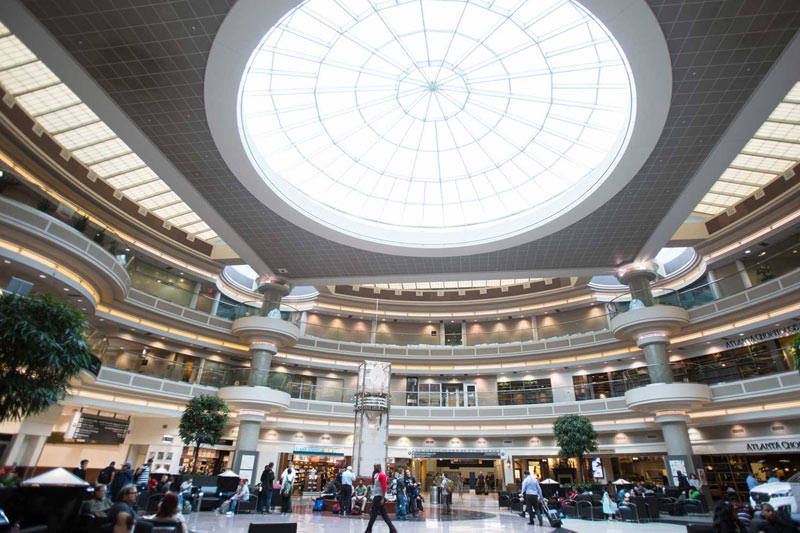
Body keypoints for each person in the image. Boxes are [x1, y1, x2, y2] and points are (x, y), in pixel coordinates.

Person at [365, 463, 397, 533]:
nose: (374, 468)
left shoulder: (382, 475)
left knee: (374, 514)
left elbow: (384, 487)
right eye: (374, 467)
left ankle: (368, 530)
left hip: (379, 497)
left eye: (376, 467)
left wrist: (382, 498)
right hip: (376, 496)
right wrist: (373, 475)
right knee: (383, 514)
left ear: (379, 467)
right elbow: (373, 484)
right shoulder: (376, 475)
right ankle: (392, 529)